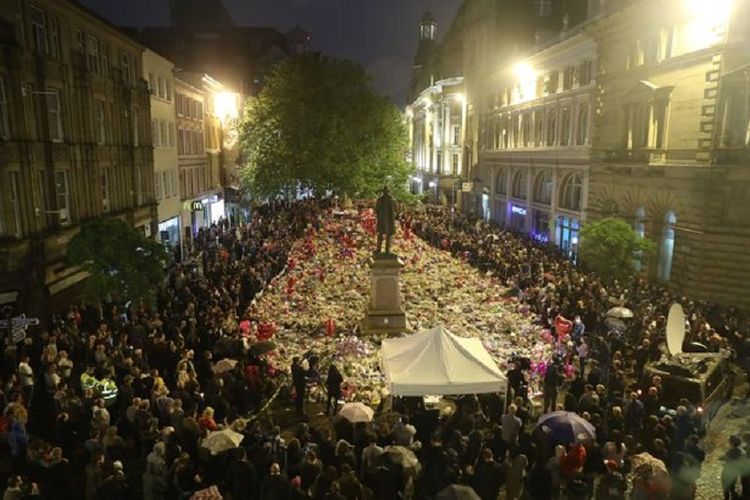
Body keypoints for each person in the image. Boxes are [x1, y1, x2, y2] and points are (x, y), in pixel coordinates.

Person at [721, 435, 746, 500]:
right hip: (735, 471)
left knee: (726, 488)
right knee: (732, 487)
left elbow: (728, 459)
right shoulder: (742, 451)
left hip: (728, 471)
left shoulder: (732, 451)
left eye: (730, 441)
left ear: (732, 442)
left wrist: (725, 458)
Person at [375, 186, 396, 254]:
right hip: (389, 220)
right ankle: (387, 250)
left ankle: (379, 249)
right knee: (388, 235)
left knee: (380, 234)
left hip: (381, 219)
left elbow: (377, 210)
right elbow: (395, 210)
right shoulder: (391, 199)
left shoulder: (380, 199)